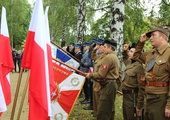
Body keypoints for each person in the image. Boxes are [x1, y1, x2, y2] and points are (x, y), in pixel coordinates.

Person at [133, 25, 170, 120]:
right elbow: (136, 56)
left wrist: (169, 106)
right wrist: (141, 43)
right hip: (148, 96)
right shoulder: (151, 53)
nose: (151, 38)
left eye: (154, 35)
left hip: (161, 99)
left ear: (163, 37)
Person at [86, 40, 120, 120]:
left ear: (110, 48)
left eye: (105, 47)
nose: (103, 48)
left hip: (108, 85)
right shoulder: (113, 56)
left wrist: (90, 75)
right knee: (109, 109)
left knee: (103, 111)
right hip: (110, 84)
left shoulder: (108, 57)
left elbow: (101, 74)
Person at [122, 43, 145, 120]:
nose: (129, 53)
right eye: (130, 51)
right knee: (126, 116)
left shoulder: (139, 67)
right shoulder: (131, 63)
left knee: (132, 117)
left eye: (132, 51)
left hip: (133, 97)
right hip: (126, 96)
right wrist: (125, 51)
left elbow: (142, 88)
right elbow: (125, 58)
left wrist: (139, 105)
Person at [90, 39, 105, 117]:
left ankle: (99, 114)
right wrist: (94, 49)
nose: (100, 48)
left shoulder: (105, 59)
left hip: (100, 81)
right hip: (95, 81)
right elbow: (93, 56)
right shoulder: (99, 57)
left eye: (101, 47)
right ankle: (96, 112)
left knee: (99, 100)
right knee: (95, 99)